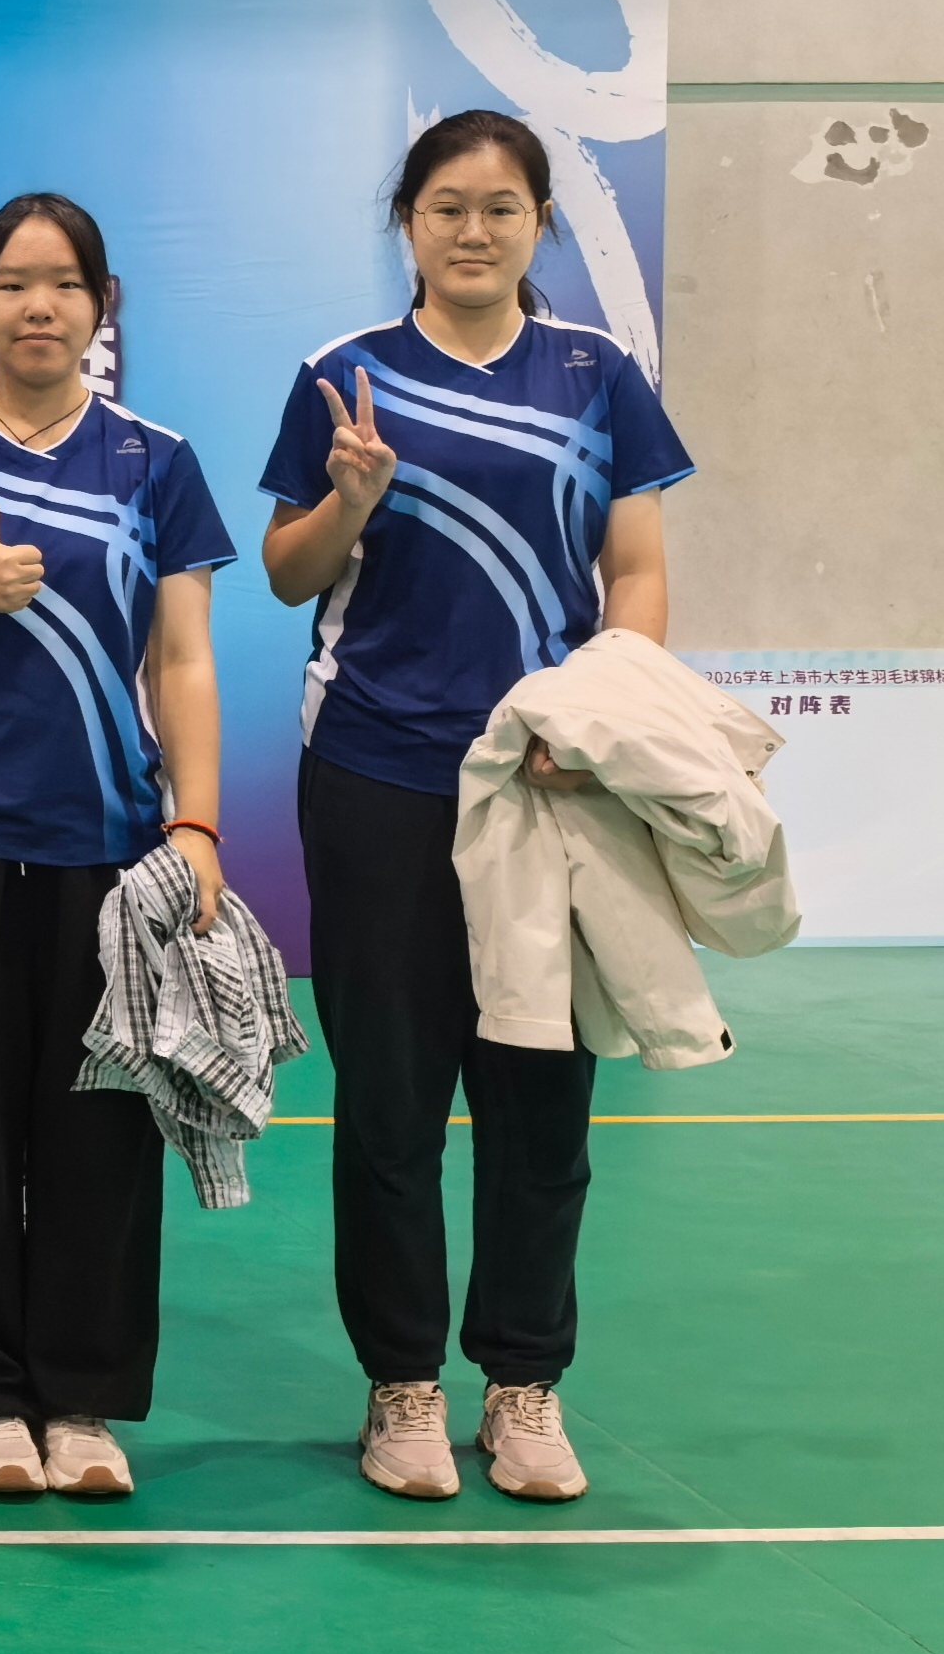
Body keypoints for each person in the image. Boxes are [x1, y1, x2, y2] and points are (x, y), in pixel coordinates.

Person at [259, 112, 691, 1505]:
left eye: (500, 208)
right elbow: (284, 572)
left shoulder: (596, 374)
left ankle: (521, 1384)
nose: (471, 231)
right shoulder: (343, 377)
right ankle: (399, 1384)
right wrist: (348, 500)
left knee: (538, 1098)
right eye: (445, 206)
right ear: (407, 220)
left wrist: (596, 715)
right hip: (376, 776)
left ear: (537, 222)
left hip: (544, 784)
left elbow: (634, 569)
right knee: (389, 1101)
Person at [0, 194, 236, 1500]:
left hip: (107, 846)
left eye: (63, 283)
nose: (38, 306)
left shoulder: (154, 461)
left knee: (99, 1130)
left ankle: (78, 1399)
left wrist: (194, 821)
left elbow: (181, 658)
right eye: (13, 284)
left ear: (99, 303)